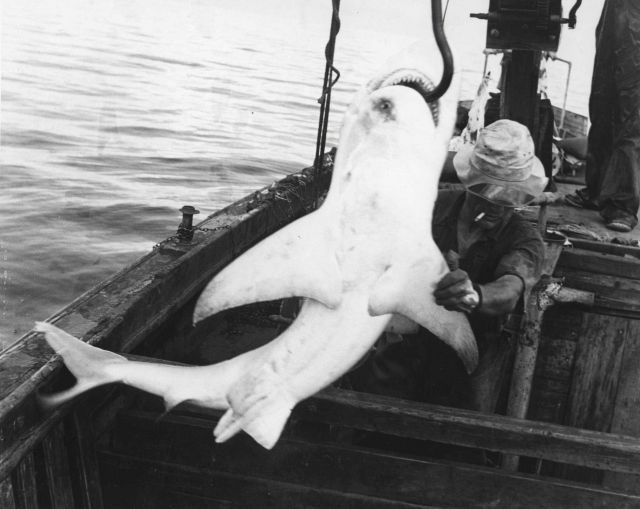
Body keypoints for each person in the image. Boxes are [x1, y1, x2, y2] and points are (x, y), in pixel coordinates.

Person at [346, 119, 546, 415]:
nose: (494, 206)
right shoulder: (428, 208)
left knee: (458, 435)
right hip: (403, 346)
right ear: (469, 182)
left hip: (470, 360)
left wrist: (475, 295)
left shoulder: (524, 238)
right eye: (484, 194)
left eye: (506, 199)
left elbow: (510, 289)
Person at [564, 0, 640, 233]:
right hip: (615, 13)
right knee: (602, 104)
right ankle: (596, 190)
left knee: (630, 119)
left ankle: (622, 205)